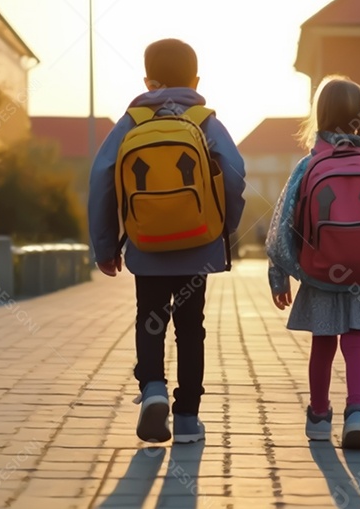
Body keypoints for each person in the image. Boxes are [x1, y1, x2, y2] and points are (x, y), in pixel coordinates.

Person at [88, 38, 246, 444]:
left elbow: (102, 177)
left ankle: (153, 389)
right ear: (195, 79)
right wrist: (223, 227)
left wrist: (105, 246)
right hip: (197, 245)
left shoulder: (132, 122)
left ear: (148, 80)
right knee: (191, 327)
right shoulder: (203, 119)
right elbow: (233, 171)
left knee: (150, 318)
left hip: (147, 245)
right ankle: (189, 417)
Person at [265, 76, 360, 450]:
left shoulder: (309, 164)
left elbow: (283, 223)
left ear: (320, 118)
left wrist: (279, 274)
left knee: (323, 345)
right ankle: (358, 413)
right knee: (356, 343)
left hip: (321, 273)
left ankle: (318, 415)